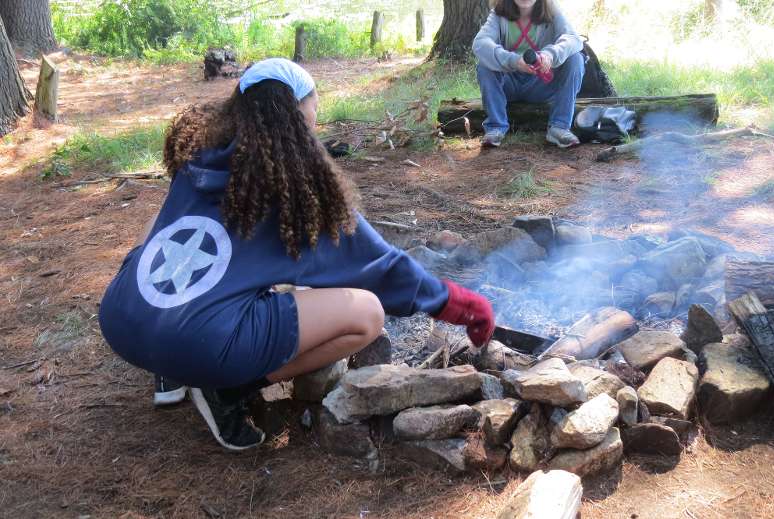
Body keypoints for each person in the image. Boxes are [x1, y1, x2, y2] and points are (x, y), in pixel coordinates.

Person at [98, 58, 495, 451]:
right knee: (367, 315)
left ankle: (167, 371)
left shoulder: (199, 156)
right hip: (203, 344)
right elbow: (378, 267)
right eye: (314, 110)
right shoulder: (295, 191)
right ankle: (228, 390)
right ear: (298, 116)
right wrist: (455, 302)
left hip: (122, 321)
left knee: (161, 220)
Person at [473, 0, 584, 148]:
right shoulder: (498, 15)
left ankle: (559, 127)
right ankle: (495, 127)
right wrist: (514, 61)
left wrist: (550, 54)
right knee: (484, 66)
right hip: (509, 84)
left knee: (576, 59)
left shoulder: (552, 11)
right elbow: (480, 43)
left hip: (541, 83)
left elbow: (573, 39)